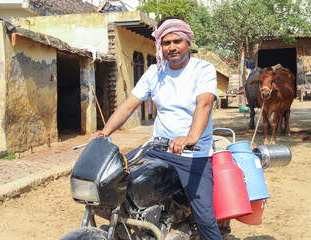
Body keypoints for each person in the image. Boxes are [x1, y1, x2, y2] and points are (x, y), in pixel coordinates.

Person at [88, 16, 222, 240]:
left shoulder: (203, 69)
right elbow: (130, 104)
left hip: (193, 153)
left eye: (177, 41)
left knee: (205, 217)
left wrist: (191, 137)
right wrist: (104, 133)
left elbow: (205, 103)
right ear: (160, 45)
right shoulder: (154, 72)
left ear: (188, 42)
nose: (172, 47)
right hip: (157, 148)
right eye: (166, 42)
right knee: (108, 183)